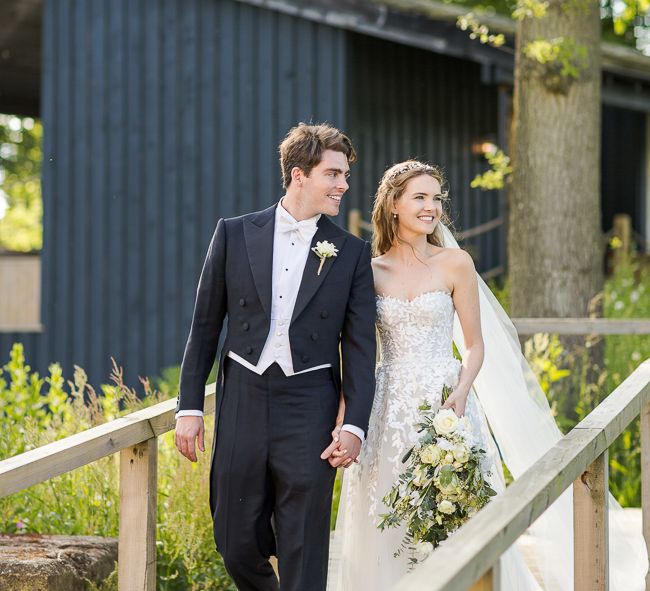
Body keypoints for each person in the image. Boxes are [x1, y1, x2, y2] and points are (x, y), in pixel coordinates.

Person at [329, 160, 648, 590]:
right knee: (383, 519)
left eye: (436, 198)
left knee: (456, 513)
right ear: (393, 205)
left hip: (445, 402)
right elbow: (359, 353)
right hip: (386, 408)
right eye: (419, 197)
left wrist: (460, 393)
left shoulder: (455, 263)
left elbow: (476, 346)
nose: (431, 207)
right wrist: (348, 415)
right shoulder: (369, 272)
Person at [174, 123, 376, 591]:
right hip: (244, 392)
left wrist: (354, 424)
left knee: (304, 541)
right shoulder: (234, 233)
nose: (343, 185)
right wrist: (188, 407)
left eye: (345, 174)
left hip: (310, 405)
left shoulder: (350, 253)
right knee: (234, 538)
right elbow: (204, 327)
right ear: (298, 174)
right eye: (334, 174)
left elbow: (361, 349)